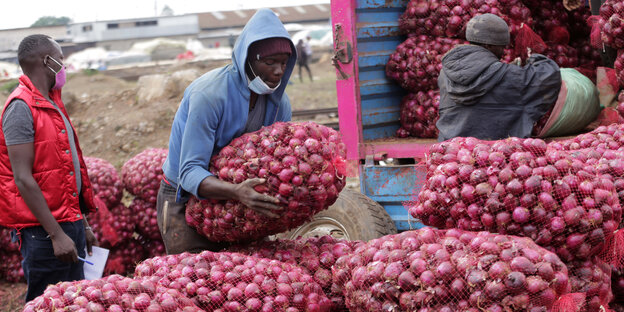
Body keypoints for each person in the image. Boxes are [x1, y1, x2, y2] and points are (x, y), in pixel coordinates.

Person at [158, 8, 296, 255]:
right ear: (248, 61)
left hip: (243, 197)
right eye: (269, 62)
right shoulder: (209, 95)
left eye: (283, 63)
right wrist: (237, 192)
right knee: (195, 277)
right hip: (185, 196)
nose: (278, 71)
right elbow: (189, 172)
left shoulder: (279, 103)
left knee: (242, 278)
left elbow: (276, 162)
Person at [0, 34, 98, 302]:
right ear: (48, 61)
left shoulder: (52, 103)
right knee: (48, 303)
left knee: (74, 301)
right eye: (62, 60)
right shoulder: (20, 108)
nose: (64, 68)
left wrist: (82, 223)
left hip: (69, 222)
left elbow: (65, 172)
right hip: (44, 232)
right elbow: (23, 179)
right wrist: (56, 235)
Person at [436, 14, 562, 141]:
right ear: (489, 46)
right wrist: (533, 57)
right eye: (501, 47)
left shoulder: (444, 74)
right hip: (495, 154)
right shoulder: (510, 76)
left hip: (452, 151)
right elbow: (550, 75)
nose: (503, 52)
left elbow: (480, 73)